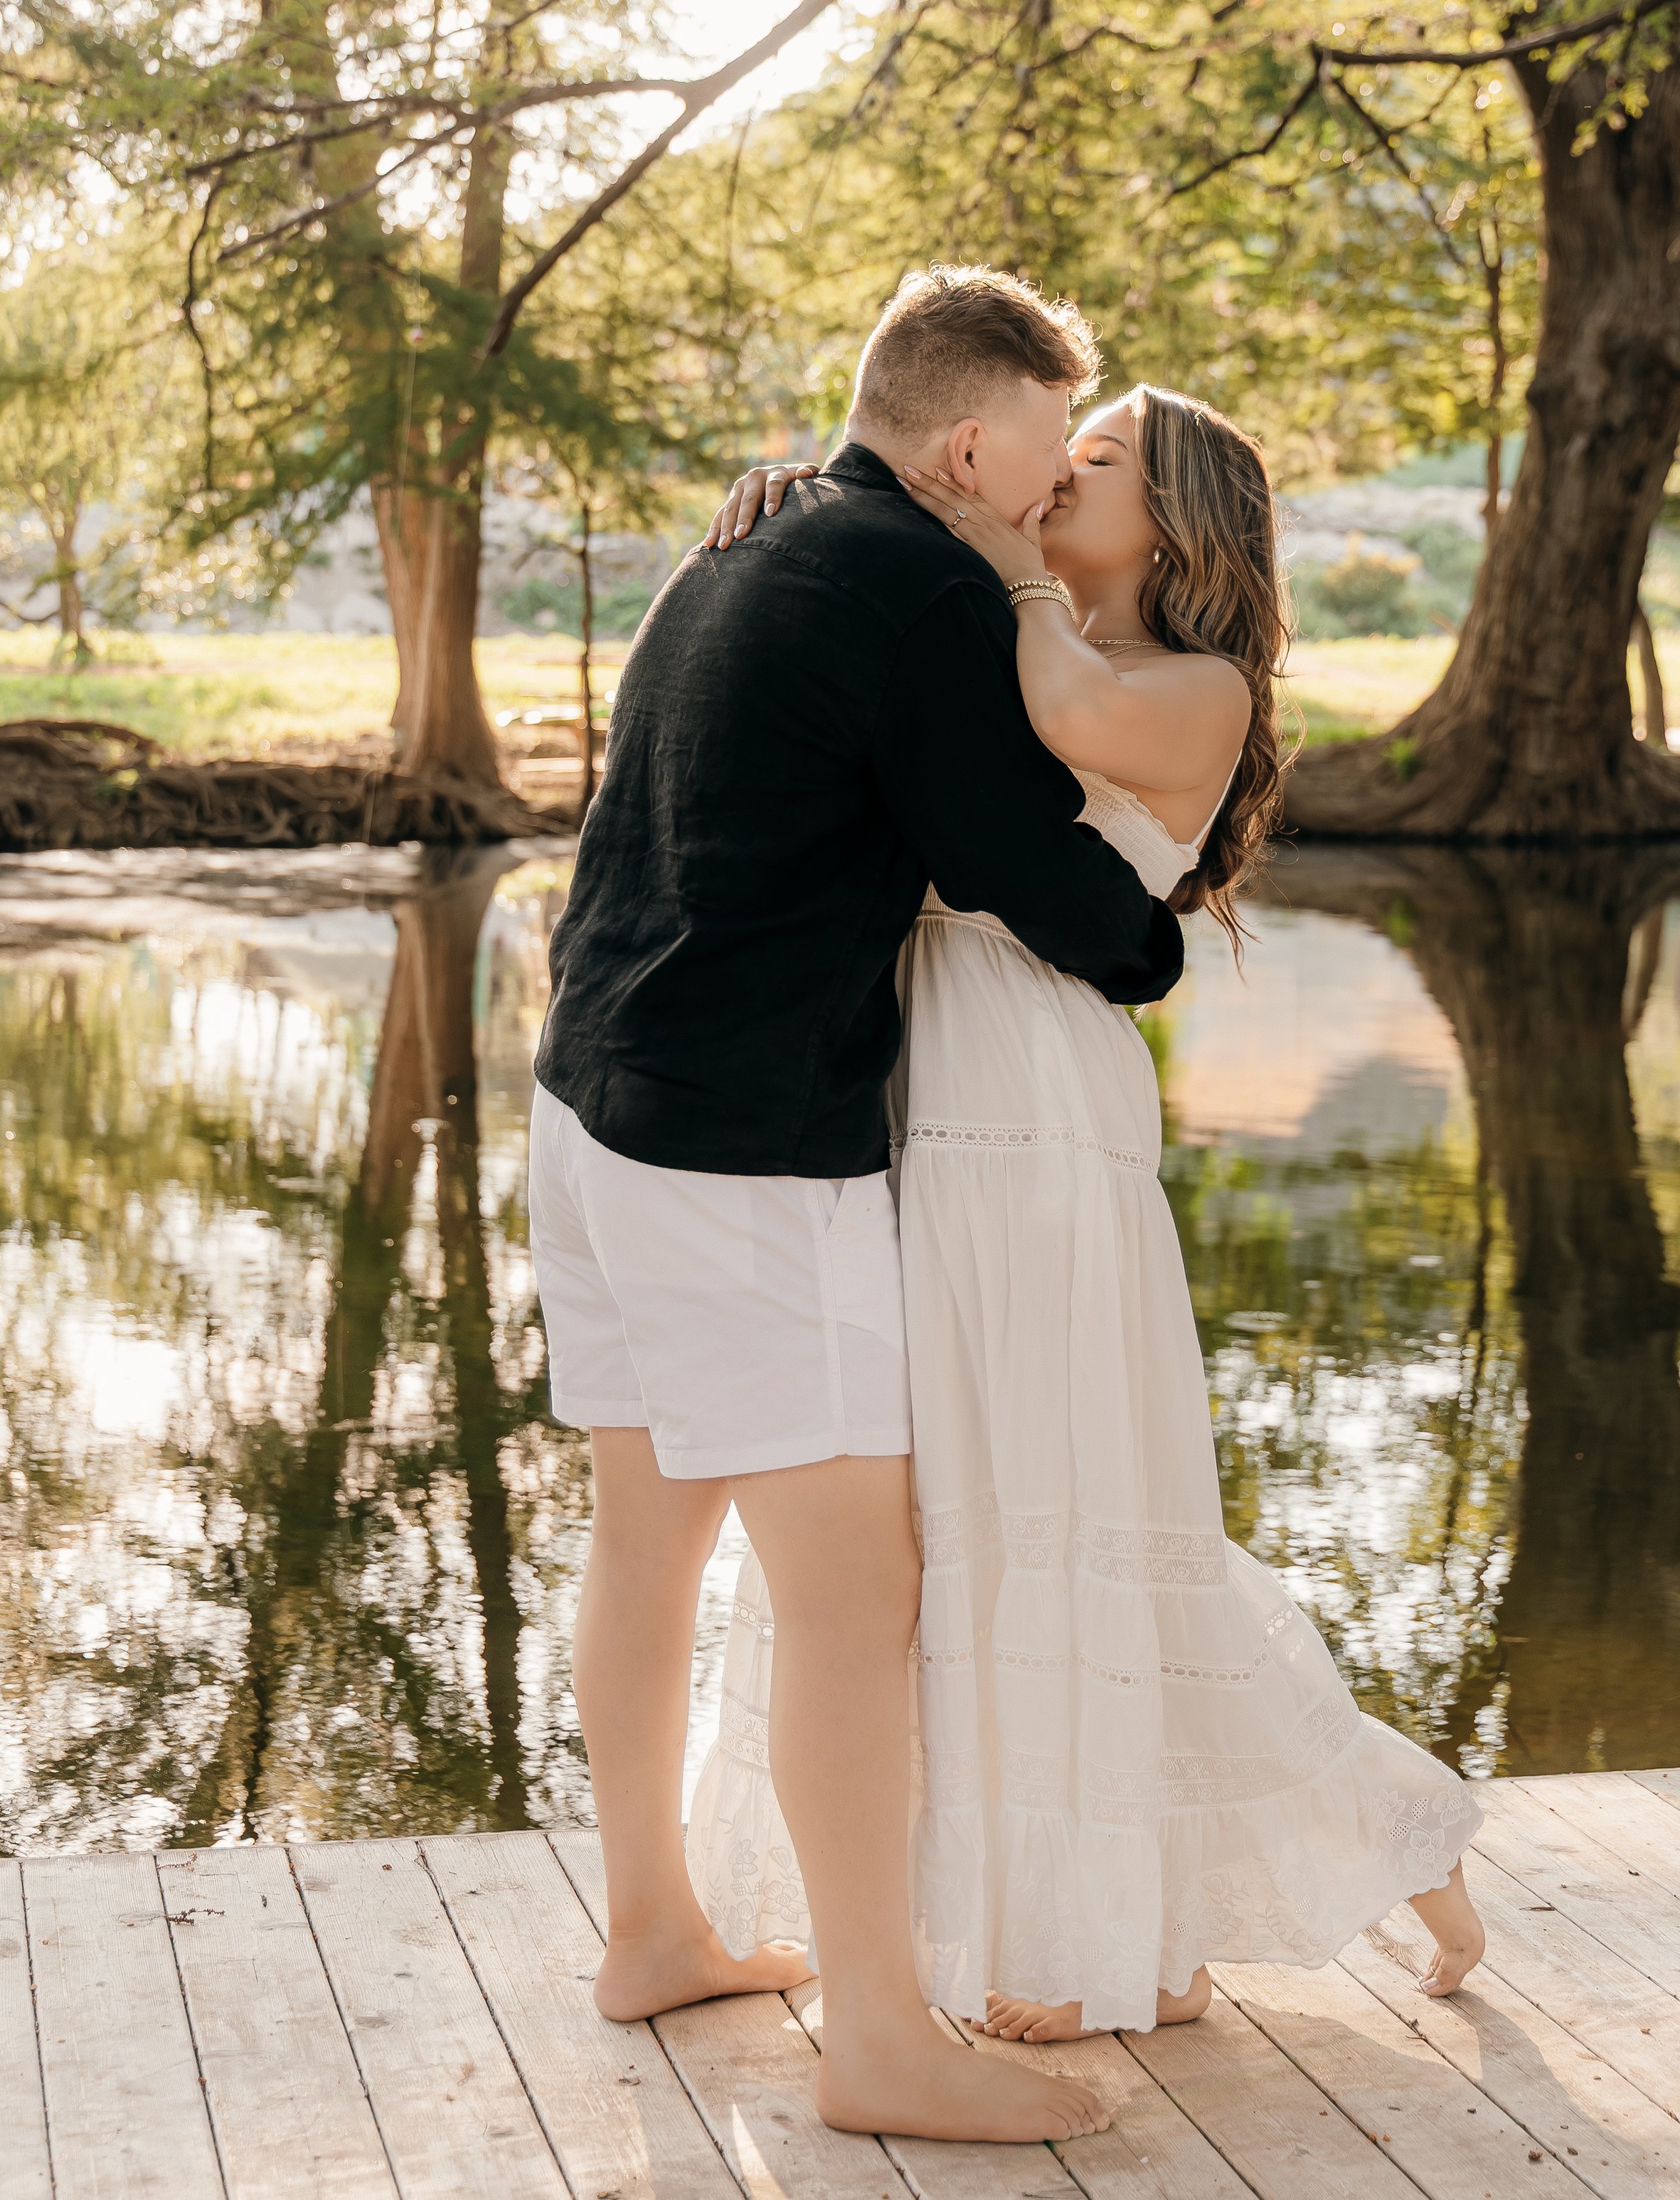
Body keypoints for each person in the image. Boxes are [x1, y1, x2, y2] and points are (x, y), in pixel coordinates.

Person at [690, 382, 1487, 2042]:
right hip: (906, 1084)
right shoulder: (1001, 611)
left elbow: (1047, 705)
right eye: (1058, 449)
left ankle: (1134, 1916)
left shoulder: (1189, 688)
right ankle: (1082, 1910)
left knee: (1052, 1510)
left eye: (1096, 461)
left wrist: (969, 531)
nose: (1057, 473)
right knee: (940, 1525)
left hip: (1036, 1106)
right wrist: (825, 513)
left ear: (1174, 519)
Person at [528, 267, 1184, 2142]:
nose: (1056, 484)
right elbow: (1009, 858)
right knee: (853, 1599)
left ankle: (649, 1923)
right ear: (967, 444)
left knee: (645, 1542)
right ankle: (879, 2034)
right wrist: (1148, 948)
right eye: (1047, 449)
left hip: (586, 1101)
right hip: (734, 1152)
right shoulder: (906, 579)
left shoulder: (752, 537)